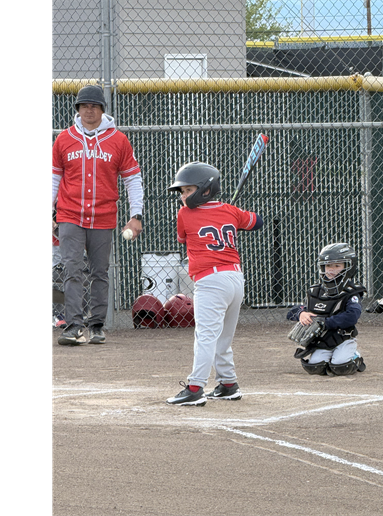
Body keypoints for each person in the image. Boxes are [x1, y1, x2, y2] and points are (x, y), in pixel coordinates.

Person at [52, 85, 144, 345]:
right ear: (78, 109)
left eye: (93, 105)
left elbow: (132, 179)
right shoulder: (64, 138)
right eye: (83, 106)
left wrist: (136, 214)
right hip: (69, 214)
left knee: (100, 271)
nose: (88, 110)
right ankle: (73, 325)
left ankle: (97, 325)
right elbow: (54, 177)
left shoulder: (118, 140)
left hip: (103, 215)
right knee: (72, 269)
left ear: (102, 109)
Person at [165, 162, 263, 406]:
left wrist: (222, 213)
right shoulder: (231, 210)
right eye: (182, 192)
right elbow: (257, 221)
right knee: (222, 337)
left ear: (205, 190)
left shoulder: (185, 214)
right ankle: (228, 384)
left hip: (210, 281)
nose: (184, 196)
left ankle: (195, 387)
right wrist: (231, 213)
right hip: (235, 279)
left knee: (206, 336)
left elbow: (182, 238)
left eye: (188, 190)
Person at [287, 243, 367, 376]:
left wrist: (325, 322)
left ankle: (355, 356)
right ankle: (330, 356)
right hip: (323, 340)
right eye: (328, 265)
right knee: (314, 367)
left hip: (343, 338)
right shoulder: (315, 291)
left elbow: (352, 316)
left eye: (337, 266)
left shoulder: (352, 292)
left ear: (348, 267)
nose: (331, 270)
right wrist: (301, 314)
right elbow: (293, 311)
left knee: (341, 367)